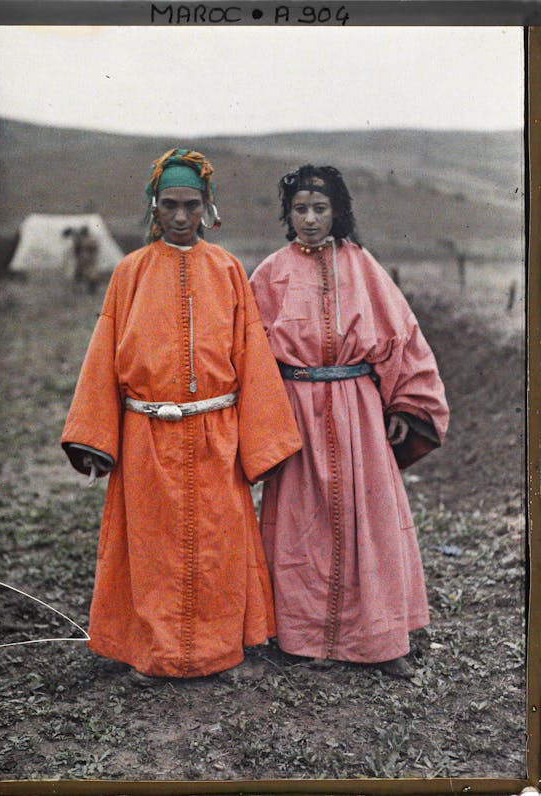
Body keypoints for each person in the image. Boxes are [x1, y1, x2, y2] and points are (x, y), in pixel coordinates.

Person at [61, 148, 302, 682]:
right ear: (154, 207)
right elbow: (103, 354)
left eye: (190, 205)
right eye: (168, 204)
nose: (179, 216)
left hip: (216, 435)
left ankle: (220, 651)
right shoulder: (129, 273)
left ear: (207, 207)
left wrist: (261, 442)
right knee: (151, 551)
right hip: (146, 436)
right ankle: (154, 653)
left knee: (218, 546)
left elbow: (252, 356)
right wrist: (94, 437)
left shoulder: (228, 270)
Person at [249, 165, 449, 677]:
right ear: (287, 215)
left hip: (358, 411)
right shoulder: (270, 273)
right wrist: (264, 419)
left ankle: (380, 638)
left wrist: (405, 404)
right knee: (299, 525)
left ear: (337, 212)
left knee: (369, 520)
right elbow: (247, 352)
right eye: (300, 210)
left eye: (320, 209)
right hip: (296, 413)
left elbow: (404, 338)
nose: (310, 219)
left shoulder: (363, 268)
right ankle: (300, 637)